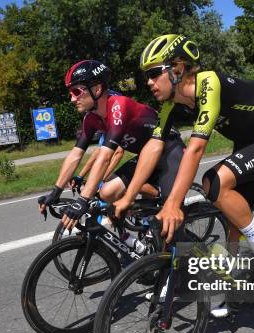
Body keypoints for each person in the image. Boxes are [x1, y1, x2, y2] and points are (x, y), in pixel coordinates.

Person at [133, 34, 254, 317]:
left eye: (154, 73)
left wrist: (173, 204)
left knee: (214, 182)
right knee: (234, 220)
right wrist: (127, 193)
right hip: (247, 143)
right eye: (147, 75)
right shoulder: (171, 103)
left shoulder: (208, 83)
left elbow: (195, 149)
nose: (148, 81)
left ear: (178, 68)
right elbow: (154, 145)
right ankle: (236, 286)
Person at [60, 60, 186, 231]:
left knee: (170, 227)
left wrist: (82, 200)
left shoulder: (118, 106)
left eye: (76, 91)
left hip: (169, 150)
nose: (72, 99)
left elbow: (106, 157)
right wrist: (55, 191)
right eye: (70, 93)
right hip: (146, 157)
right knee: (107, 192)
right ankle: (133, 237)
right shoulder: (91, 118)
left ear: (97, 89)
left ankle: (190, 251)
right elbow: (76, 154)